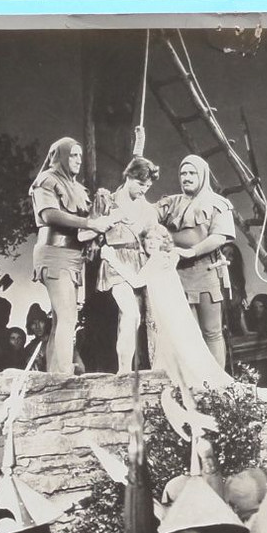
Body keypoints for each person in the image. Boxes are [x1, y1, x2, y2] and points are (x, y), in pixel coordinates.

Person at [101, 225, 234, 393]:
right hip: (167, 312)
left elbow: (137, 281)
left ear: (164, 242)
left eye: (157, 239)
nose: (151, 243)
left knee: (180, 350)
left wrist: (112, 259)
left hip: (170, 313)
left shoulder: (159, 258)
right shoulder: (162, 258)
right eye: (148, 238)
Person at [29, 137, 109, 374]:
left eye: (80, 156)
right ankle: (63, 374)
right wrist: (90, 223)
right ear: (61, 156)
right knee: (67, 316)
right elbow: (49, 214)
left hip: (73, 257)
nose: (78, 161)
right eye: (73, 155)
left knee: (61, 320)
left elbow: (88, 224)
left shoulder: (78, 188)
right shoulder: (47, 180)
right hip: (54, 253)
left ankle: (55, 374)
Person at [157, 155, 236, 370]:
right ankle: (193, 380)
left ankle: (217, 385)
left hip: (205, 272)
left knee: (212, 332)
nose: (187, 177)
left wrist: (191, 252)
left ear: (202, 175)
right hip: (175, 275)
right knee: (185, 333)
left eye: (192, 173)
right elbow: (147, 216)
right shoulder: (170, 202)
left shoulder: (217, 203)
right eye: (183, 173)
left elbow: (219, 236)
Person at [97, 155, 161, 373]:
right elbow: (83, 233)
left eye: (149, 186)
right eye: (141, 184)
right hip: (115, 261)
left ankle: (139, 368)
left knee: (138, 320)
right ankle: (123, 372)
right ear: (129, 177)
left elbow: (155, 239)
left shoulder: (148, 209)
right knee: (131, 313)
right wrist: (105, 223)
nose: (145, 190)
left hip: (140, 263)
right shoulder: (108, 200)